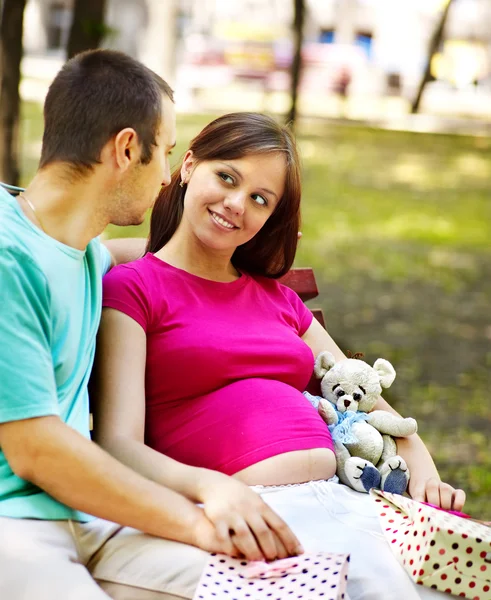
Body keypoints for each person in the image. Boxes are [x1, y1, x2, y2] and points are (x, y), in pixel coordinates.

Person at [96, 112, 466, 600]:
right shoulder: (135, 288)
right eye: (226, 177)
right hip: (246, 510)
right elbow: (118, 444)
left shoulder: (278, 299)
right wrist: (212, 489)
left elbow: (367, 396)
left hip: (340, 498)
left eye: (259, 199)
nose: (235, 204)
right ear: (188, 165)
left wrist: (424, 466)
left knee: (450, 582)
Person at [0, 52, 301, 600]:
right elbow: (36, 449)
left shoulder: (84, 253)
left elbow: (162, 264)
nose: (167, 176)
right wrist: (202, 509)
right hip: (16, 526)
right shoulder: (5, 259)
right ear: (126, 149)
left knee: (284, 589)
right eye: (163, 153)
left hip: (98, 518)